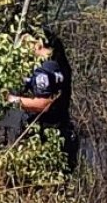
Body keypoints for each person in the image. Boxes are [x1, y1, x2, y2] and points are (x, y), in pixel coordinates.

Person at [7, 28, 78, 172]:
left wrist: (10, 100)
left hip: (46, 137)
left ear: (38, 44)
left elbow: (43, 104)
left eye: (26, 44)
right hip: (60, 135)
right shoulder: (59, 64)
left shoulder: (45, 69)